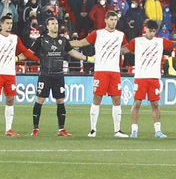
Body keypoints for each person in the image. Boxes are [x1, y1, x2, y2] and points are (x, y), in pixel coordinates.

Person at [71, 9, 128, 138]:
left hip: (115, 71)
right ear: (106, 20)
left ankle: (117, 130)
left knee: (117, 98)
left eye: (115, 20)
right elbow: (82, 42)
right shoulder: (98, 33)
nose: (113, 22)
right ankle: (93, 129)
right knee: (97, 98)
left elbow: (126, 49)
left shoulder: (120, 35)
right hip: (101, 70)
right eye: (111, 19)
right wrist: (65, 43)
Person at [123, 20, 169, 138]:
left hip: (154, 77)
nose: (151, 34)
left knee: (155, 104)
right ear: (145, 29)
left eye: (154, 31)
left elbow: (174, 44)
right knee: (137, 103)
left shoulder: (160, 41)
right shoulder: (137, 41)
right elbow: (124, 50)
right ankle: (134, 130)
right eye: (150, 31)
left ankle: (158, 130)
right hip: (140, 77)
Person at [30, 15, 72, 137]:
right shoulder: (41, 39)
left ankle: (61, 129)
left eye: (56, 24)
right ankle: (35, 129)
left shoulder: (63, 40)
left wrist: (87, 58)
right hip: (45, 74)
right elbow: (30, 52)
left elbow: (72, 51)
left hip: (59, 75)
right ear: (47, 27)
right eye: (52, 24)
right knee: (40, 99)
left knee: (60, 100)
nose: (55, 26)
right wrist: (16, 57)